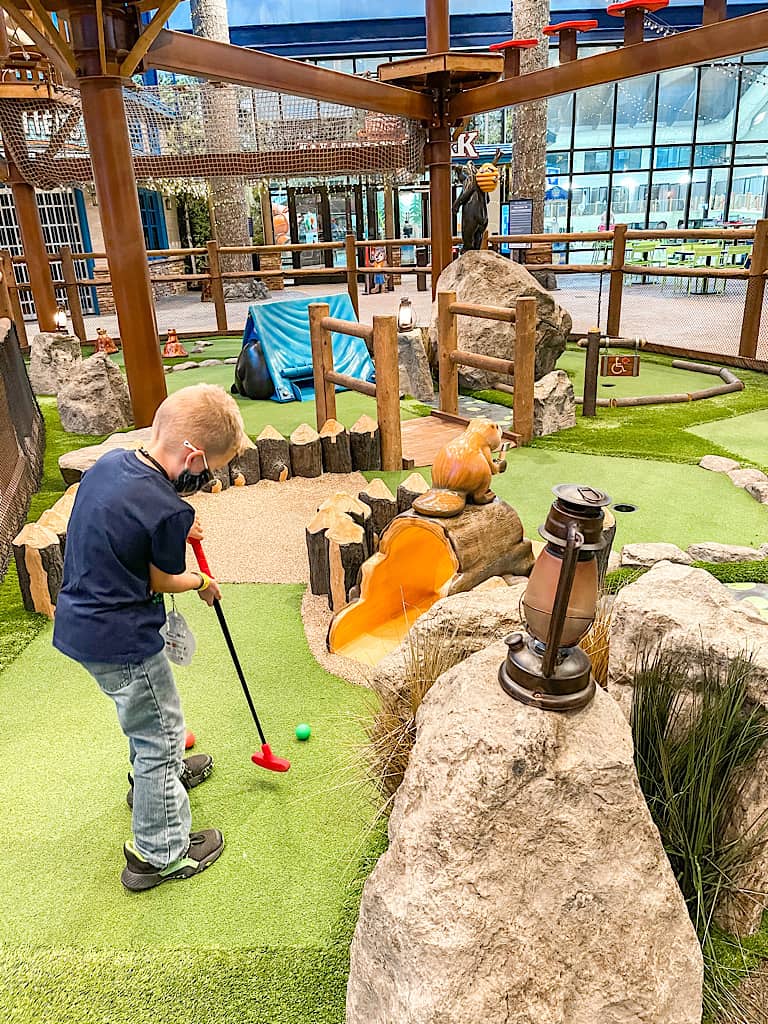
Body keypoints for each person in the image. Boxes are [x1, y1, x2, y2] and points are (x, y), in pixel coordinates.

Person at [53, 384, 248, 892]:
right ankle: (159, 852)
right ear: (193, 456)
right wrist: (203, 583)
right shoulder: (168, 507)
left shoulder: (112, 465)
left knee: (145, 723)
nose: (207, 481)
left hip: (82, 622)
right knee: (159, 732)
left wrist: (175, 530)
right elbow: (164, 579)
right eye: (210, 469)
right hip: (124, 637)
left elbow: (123, 525)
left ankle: (156, 783)